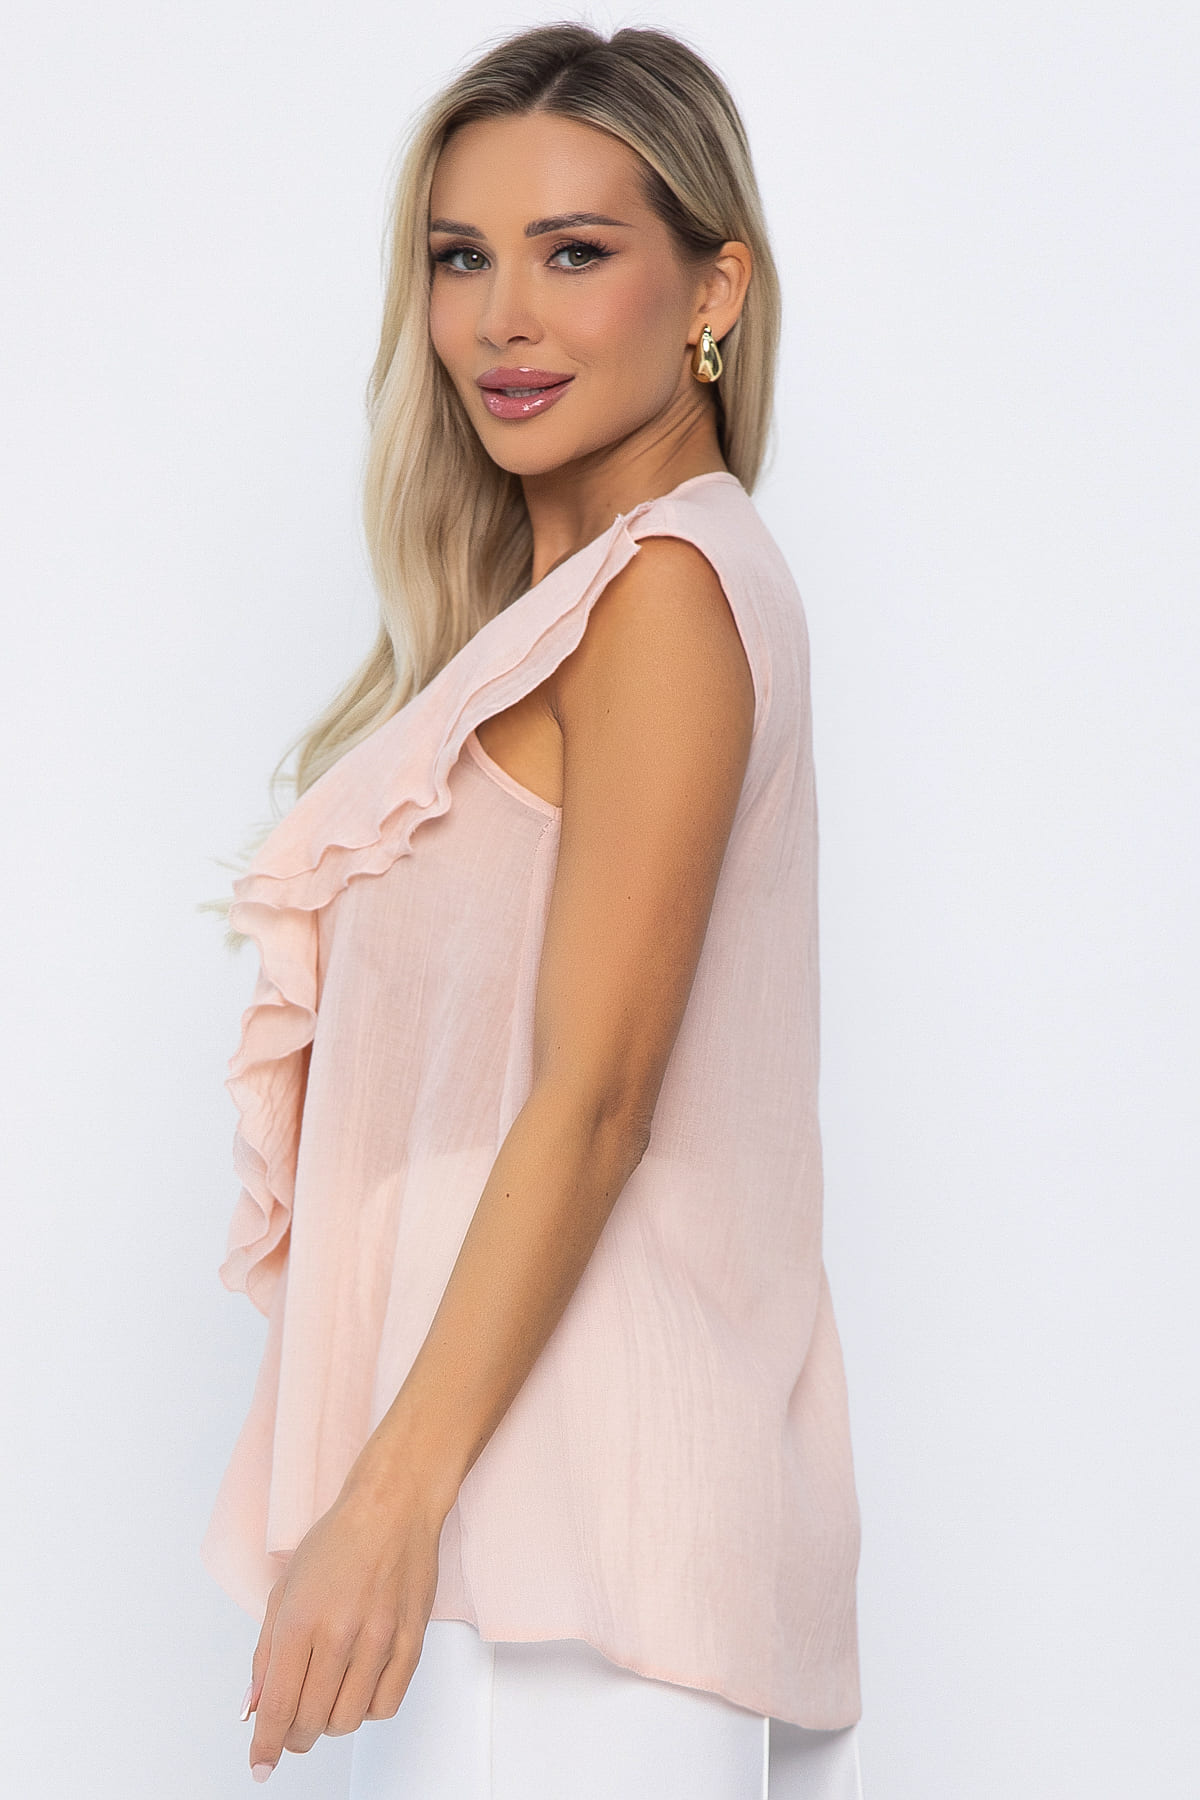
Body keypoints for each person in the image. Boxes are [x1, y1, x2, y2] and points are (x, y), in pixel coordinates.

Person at [201, 22, 865, 1798]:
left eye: (575, 252)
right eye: (459, 256)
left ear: (713, 289)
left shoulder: (667, 592)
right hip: (527, 1526)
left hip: (565, 1532)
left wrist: (387, 1499)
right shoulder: (572, 608)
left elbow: (596, 1094)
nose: (503, 317)